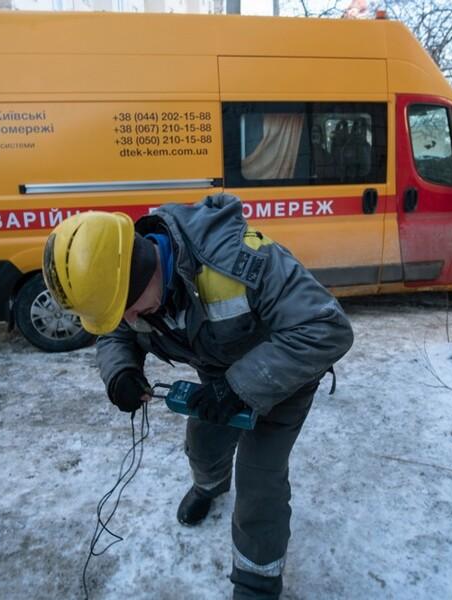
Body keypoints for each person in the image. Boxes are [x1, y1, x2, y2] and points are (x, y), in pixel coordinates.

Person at [42, 193, 354, 599]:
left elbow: (327, 328)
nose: (127, 320)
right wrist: (120, 371)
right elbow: (115, 332)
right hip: (218, 378)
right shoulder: (132, 296)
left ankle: (256, 583)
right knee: (203, 445)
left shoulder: (242, 262)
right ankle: (209, 486)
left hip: (283, 378)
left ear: (143, 270)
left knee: (259, 482)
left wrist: (241, 387)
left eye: (127, 308)